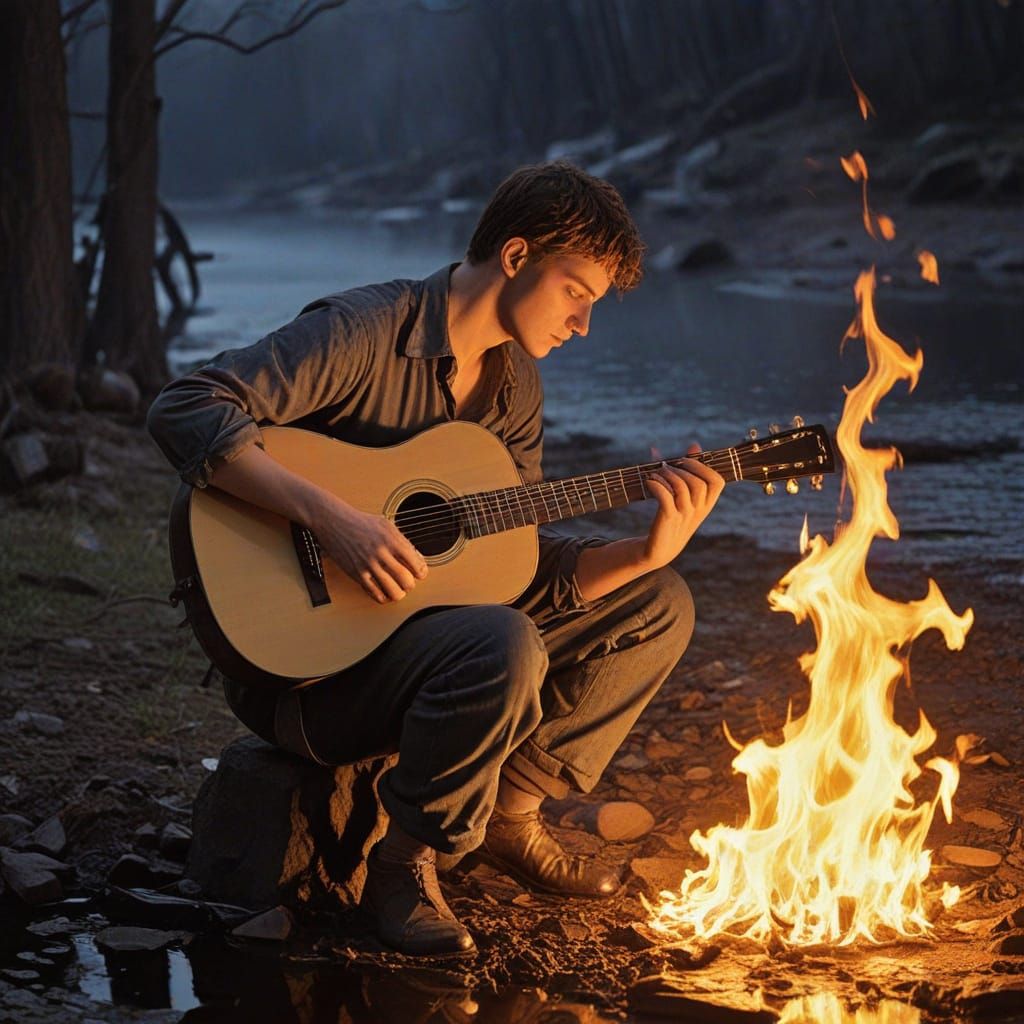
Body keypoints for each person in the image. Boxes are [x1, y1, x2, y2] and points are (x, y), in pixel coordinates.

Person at [147, 161, 723, 958]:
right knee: (502, 643)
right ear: (516, 257)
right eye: (575, 292)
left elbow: (506, 563)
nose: (584, 323)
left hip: (420, 646)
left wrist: (642, 551)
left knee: (660, 601)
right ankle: (406, 863)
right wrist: (334, 521)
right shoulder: (364, 331)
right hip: (302, 676)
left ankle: (510, 815)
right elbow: (184, 407)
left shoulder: (514, 388)